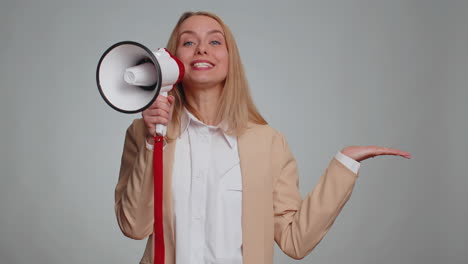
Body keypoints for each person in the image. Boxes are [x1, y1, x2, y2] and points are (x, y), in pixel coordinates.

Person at [114, 11, 411, 264]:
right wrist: (153, 141)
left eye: (215, 41)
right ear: (172, 61)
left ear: (231, 59)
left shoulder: (268, 143)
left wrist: (344, 164)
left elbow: (296, 241)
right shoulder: (143, 133)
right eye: (188, 42)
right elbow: (134, 226)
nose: (202, 49)